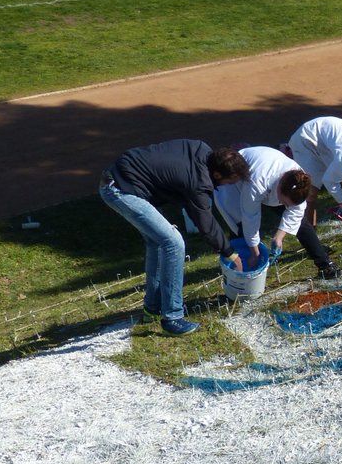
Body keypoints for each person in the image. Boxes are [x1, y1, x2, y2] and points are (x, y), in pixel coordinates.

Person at [99, 140, 248, 336]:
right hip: (122, 190)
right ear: (218, 174)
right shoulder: (198, 181)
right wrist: (230, 253)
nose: (231, 184)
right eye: (231, 180)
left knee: (157, 242)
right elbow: (206, 223)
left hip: (120, 179)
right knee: (173, 243)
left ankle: (152, 309)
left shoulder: (200, 149)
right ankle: (172, 317)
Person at [214, 145, 342, 279]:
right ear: (280, 188)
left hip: (268, 181)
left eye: (287, 204)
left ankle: (325, 266)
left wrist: (279, 236)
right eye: (284, 203)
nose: (284, 206)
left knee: (301, 223)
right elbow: (250, 217)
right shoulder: (256, 183)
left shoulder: (299, 180)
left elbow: (296, 213)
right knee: (241, 228)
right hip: (235, 185)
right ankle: (241, 271)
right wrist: (255, 253)